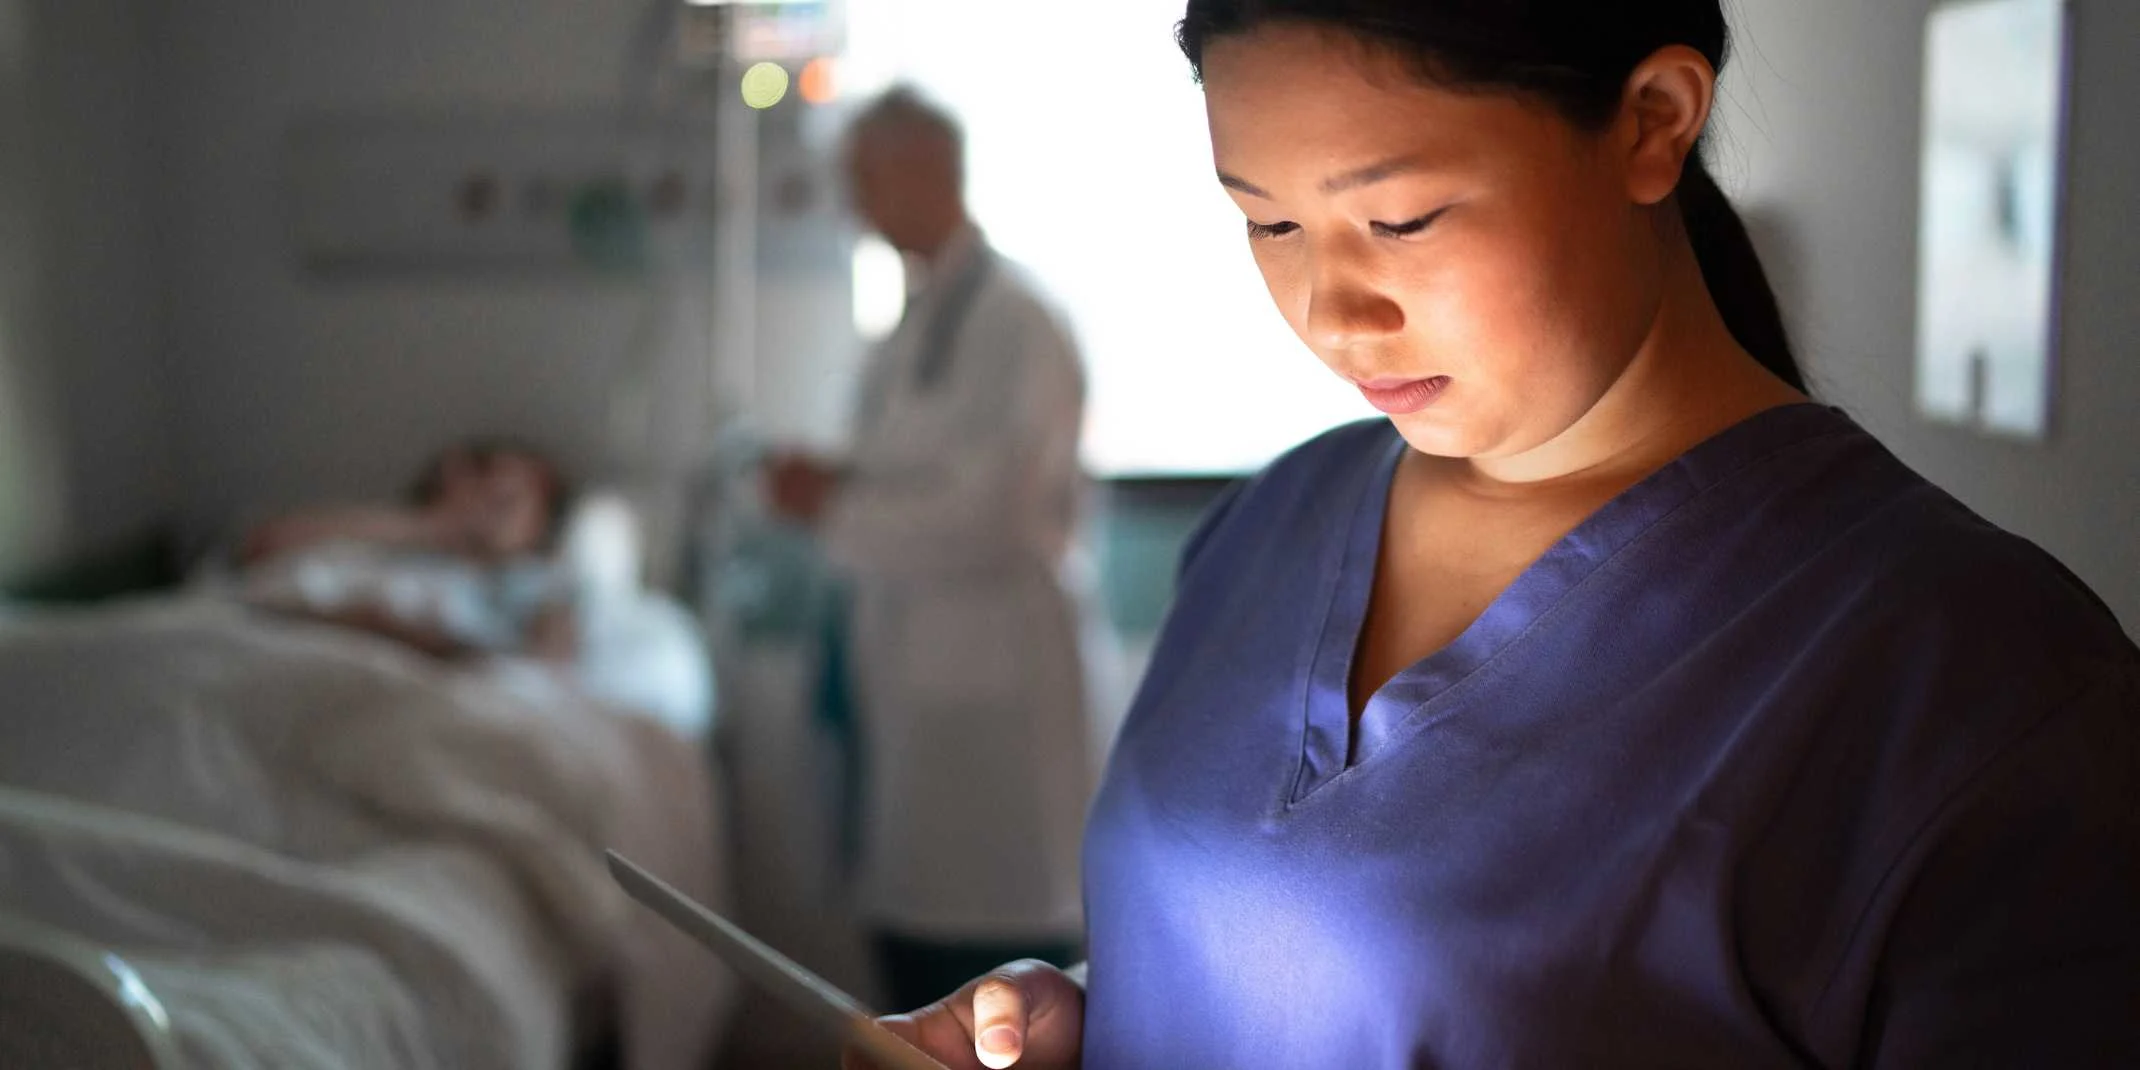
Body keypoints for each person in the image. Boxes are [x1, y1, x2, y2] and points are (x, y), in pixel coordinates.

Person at [848, 2, 2140, 1068]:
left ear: (1653, 123)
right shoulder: (1270, 526)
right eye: (1269, 221)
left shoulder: (1972, 675)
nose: (1334, 313)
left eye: (1401, 219)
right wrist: (1084, 1016)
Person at [767, 88, 1100, 1012]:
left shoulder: (1014, 320)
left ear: (924, 171)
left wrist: (829, 513)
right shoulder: (920, 319)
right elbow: (916, 470)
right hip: (918, 694)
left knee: (1000, 986)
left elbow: (992, 515)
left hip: (991, 700)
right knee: (913, 964)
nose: (851, 203)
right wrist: (833, 485)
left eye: (862, 177)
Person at [237, 438, 580, 660]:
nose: (494, 498)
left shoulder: (540, 583)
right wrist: (434, 526)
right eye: (485, 481)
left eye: (511, 500)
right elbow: (264, 550)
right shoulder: (380, 548)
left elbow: (549, 673)